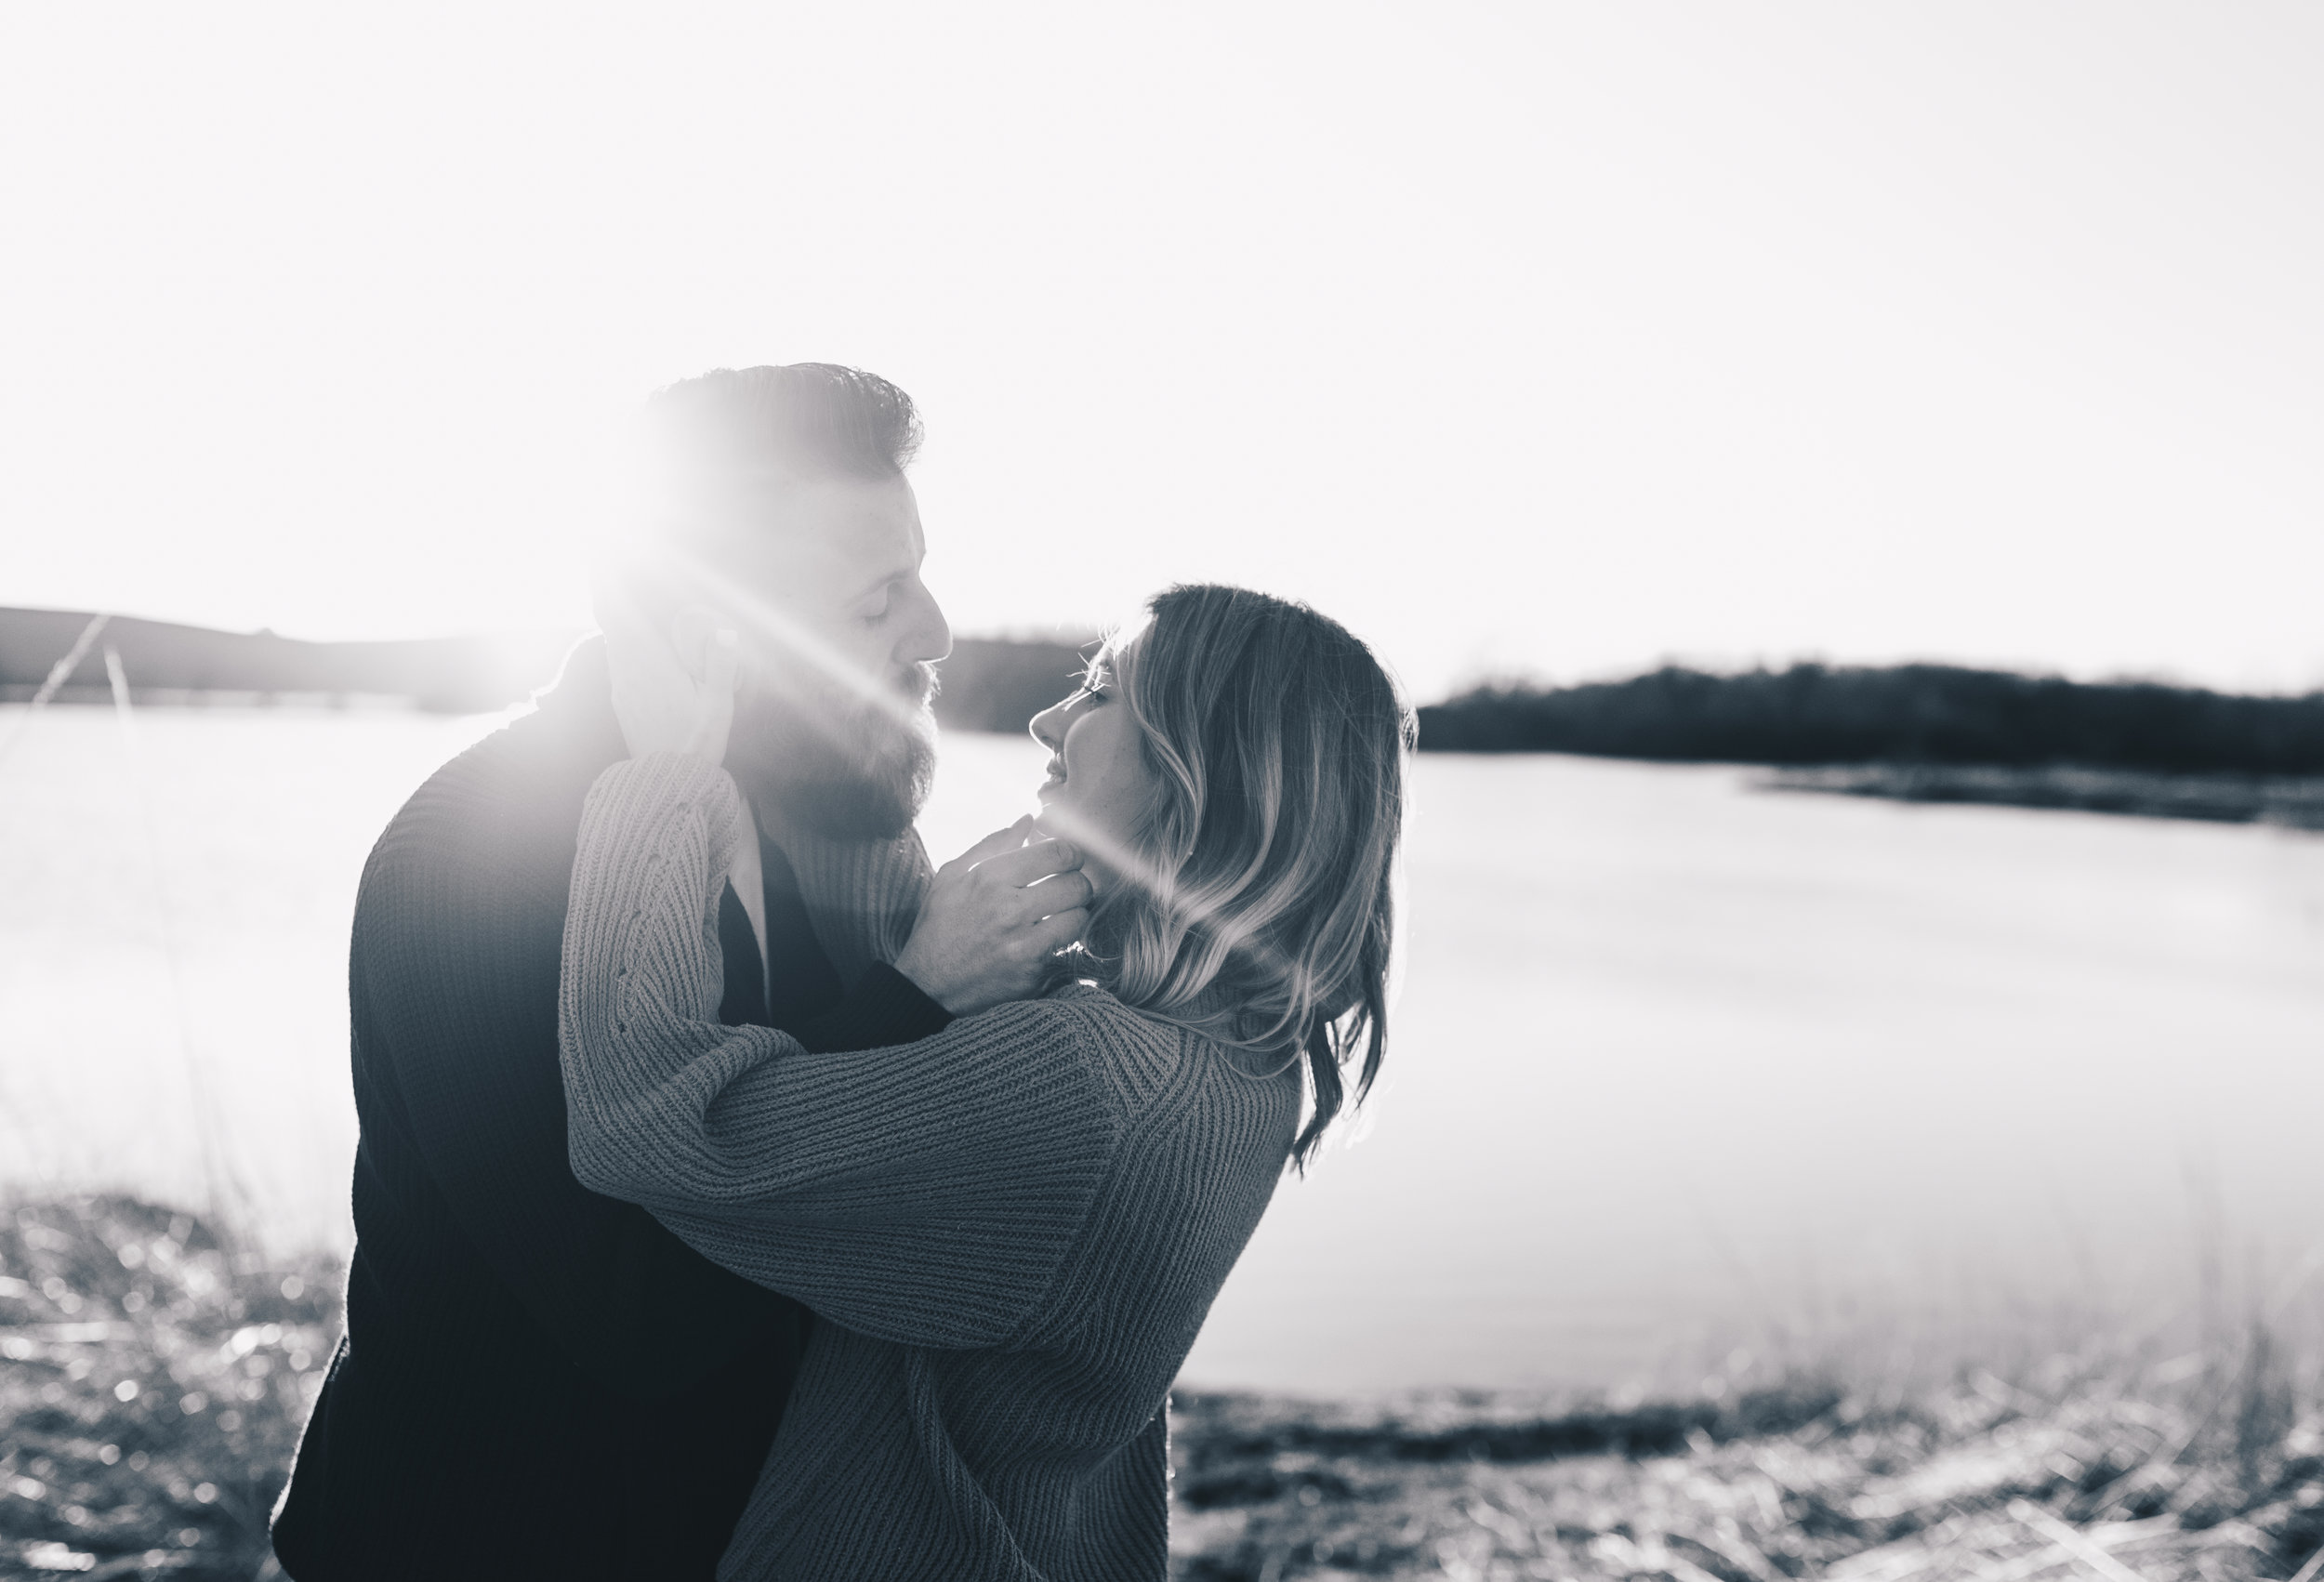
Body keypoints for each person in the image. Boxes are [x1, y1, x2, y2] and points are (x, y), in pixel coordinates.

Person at [271, 365, 1043, 1580]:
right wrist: (916, 995)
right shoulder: (480, 855)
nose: (936, 634)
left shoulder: (796, 812)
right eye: (876, 599)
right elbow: (640, 1314)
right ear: (694, 628)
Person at [556, 581, 1413, 1579]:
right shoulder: (1240, 1064)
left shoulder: (1082, 1089)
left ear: (1201, 766)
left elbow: (650, 1120)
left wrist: (666, 777)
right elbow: (902, 979)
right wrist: (849, 740)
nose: (1049, 718)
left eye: (1099, 694)